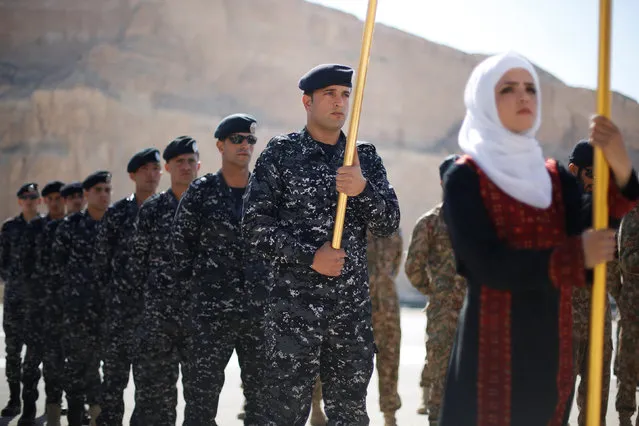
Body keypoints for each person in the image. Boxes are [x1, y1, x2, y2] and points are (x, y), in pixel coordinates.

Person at [438, 52, 639, 426]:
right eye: (508, 89)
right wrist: (572, 256)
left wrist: (622, 166)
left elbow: (592, 231)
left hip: (550, 352)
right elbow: (485, 263)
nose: (524, 97)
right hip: (490, 357)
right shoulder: (467, 178)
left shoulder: (553, 178)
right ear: (483, 100)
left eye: (530, 88)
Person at [242, 64, 400, 425]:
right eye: (329, 93)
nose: (339, 102)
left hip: (350, 317)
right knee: (284, 415)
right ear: (307, 101)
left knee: (350, 415)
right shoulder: (281, 153)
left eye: (345, 94)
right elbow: (254, 227)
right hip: (293, 315)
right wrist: (310, 257)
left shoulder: (364, 157)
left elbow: (389, 221)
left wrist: (362, 190)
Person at [172, 114, 269, 426]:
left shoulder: (266, 194)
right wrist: (196, 302)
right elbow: (180, 251)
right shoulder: (201, 193)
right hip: (210, 318)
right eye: (237, 139)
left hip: (257, 316)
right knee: (200, 405)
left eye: (250, 140)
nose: (245, 145)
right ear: (220, 145)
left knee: (263, 405)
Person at [132, 136, 200, 426]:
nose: (185, 166)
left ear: (199, 164)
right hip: (159, 321)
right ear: (168, 168)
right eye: (178, 162)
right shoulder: (152, 210)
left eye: (190, 161)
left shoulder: (211, 206)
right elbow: (136, 265)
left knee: (200, 402)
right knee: (156, 402)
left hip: (202, 321)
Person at [93, 148, 161, 425]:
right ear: (133, 174)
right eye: (144, 169)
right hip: (120, 316)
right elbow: (100, 263)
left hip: (153, 318)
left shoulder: (168, 211)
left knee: (149, 391)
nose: (151, 174)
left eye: (155, 168)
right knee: (113, 386)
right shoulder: (117, 213)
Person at [311, 230, 403, 426]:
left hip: (386, 306)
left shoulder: (391, 229)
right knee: (329, 357)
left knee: (390, 358)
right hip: (354, 303)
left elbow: (395, 264)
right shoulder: (349, 227)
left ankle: (390, 415)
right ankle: (316, 406)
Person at [405, 155, 466, 426]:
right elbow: (412, 267)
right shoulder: (429, 222)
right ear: (444, 181)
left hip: (473, 313)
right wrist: (435, 291)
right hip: (443, 314)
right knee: (440, 379)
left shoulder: (478, 223)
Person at [52, 171, 112, 426]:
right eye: (97, 190)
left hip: (110, 315)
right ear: (87, 194)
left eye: (107, 189)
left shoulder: (117, 223)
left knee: (108, 377)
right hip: (77, 316)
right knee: (76, 374)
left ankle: (99, 416)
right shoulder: (70, 226)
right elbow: (57, 270)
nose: (103, 194)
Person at [567, 140, 619, 425]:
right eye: (591, 174)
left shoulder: (607, 214)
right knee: (553, 406)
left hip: (599, 324)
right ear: (574, 170)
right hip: (562, 322)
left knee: (595, 409)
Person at [18, 181, 66, 425]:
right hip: (37, 308)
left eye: (60, 197)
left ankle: (53, 407)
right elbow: (23, 265)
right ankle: (28, 407)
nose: (56, 202)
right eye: (51, 198)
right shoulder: (35, 228)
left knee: (55, 365)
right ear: (45, 201)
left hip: (62, 311)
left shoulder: (70, 227)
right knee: (31, 364)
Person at [41, 181, 87, 425]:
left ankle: (80, 411)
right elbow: (45, 269)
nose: (78, 200)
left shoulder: (95, 225)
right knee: (55, 363)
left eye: (81, 196)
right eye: (73, 197)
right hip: (57, 308)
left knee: (84, 364)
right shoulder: (53, 230)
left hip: (84, 311)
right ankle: (54, 410)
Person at [0, 183, 41, 418]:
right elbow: (1, 259)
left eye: (33, 196)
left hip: (38, 303)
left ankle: (30, 401)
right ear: (19, 201)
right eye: (25, 197)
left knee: (35, 354)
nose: (29, 200)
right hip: (15, 301)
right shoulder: (10, 227)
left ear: (39, 200)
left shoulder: (45, 226)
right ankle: (14, 400)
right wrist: (11, 279)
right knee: (13, 352)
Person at [616, 203, 639, 426]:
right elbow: (627, 261)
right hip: (634, 311)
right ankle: (625, 418)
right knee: (629, 367)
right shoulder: (633, 216)